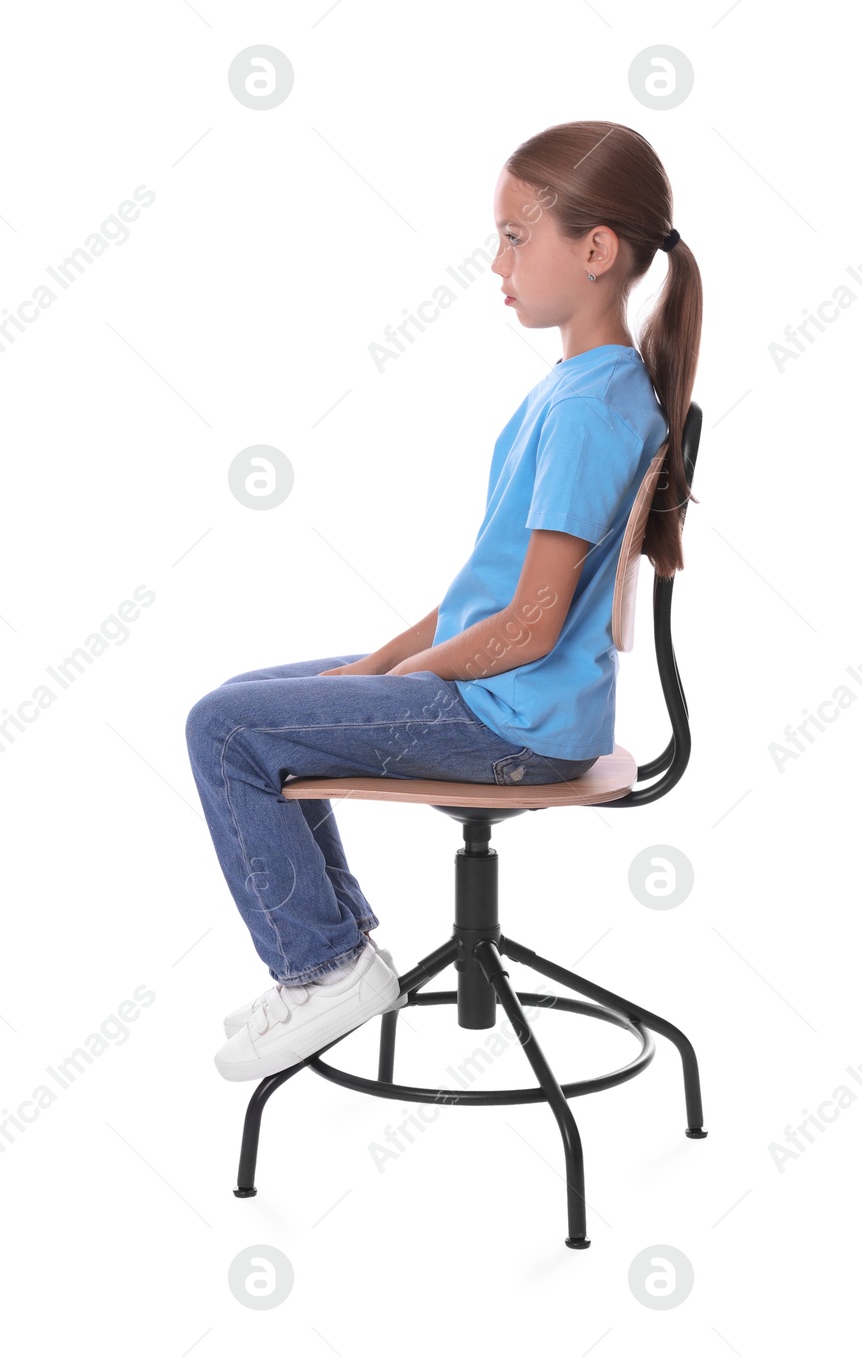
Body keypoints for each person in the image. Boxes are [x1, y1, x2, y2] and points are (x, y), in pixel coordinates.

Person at [188, 120, 703, 1082]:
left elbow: (529, 625)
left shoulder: (591, 410)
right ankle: (336, 954)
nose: (498, 260)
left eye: (517, 236)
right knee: (249, 697)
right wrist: (377, 669)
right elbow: (487, 598)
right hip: (505, 698)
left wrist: (405, 684)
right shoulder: (578, 388)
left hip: (514, 721)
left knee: (225, 729)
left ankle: (326, 966)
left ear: (596, 252)